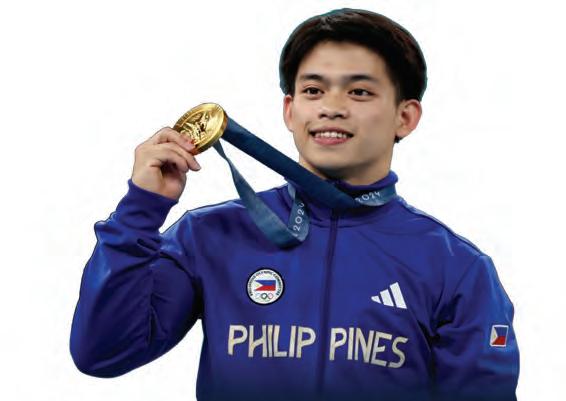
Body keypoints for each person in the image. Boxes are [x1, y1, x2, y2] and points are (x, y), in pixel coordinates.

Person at [69, 8, 519, 401]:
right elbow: (103, 353)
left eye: (359, 92)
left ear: (405, 117)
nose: (331, 108)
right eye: (313, 91)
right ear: (290, 110)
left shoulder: (456, 267)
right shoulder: (208, 236)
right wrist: (140, 211)